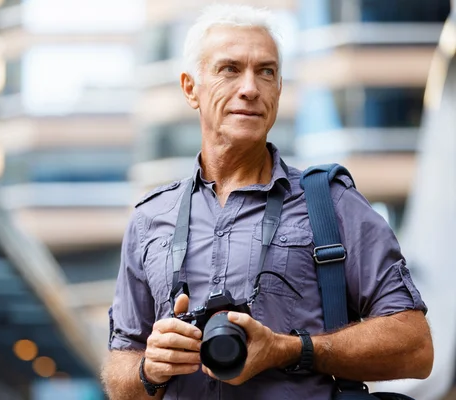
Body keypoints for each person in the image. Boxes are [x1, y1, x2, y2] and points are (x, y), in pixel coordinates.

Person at [100, 4, 433, 400]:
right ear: (191, 88)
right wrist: (149, 368)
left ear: (278, 89)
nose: (250, 88)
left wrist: (289, 349)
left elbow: (416, 346)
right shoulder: (149, 218)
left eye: (266, 71)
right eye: (229, 69)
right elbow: (121, 369)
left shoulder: (333, 204)